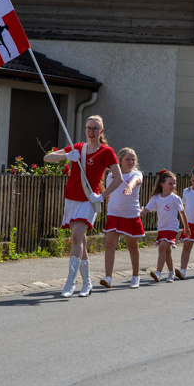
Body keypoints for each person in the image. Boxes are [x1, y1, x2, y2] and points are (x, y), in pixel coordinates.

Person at [44, 115, 122, 298]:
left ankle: (70, 283)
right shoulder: (78, 147)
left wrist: (101, 197)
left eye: (96, 128)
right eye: (89, 128)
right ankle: (87, 283)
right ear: (85, 129)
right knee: (81, 242)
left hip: (89, 199)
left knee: (77, 236)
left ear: (101, 131)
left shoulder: (106, 151)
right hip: (71, 198)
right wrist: (67, 155)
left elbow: (118, 178)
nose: (92, 131)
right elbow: (47, 157)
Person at [100, 147, 144, 289]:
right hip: (114, 214)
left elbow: (135, 181)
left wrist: (129, 187)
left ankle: (136, 276)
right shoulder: (111, 176)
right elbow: (109, 193)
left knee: (132, 246)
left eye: (133, 159)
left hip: (130, 215)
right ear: (120, 161)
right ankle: (108, 277)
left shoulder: (137, 174)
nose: (131, 162)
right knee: (110, 244)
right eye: (127, 159)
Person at [142, 170, 189, 283]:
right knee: (167, 252)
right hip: (161, 228)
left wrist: (186, 228)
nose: (173, 186)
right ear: (162, 184)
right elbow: (145, 210)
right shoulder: (156, 198)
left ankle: (158, 272)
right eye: (170, 183)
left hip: (172, 228)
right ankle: (171, 272)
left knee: (162, 247)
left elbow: (182, 213)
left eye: (174, 183)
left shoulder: (175, 198)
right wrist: (134, 215)